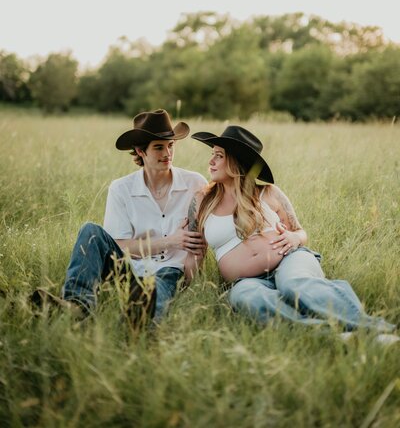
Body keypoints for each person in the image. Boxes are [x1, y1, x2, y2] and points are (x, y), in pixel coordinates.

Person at [186, 125, 398, 339]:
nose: (211, 161)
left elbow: (300, 232)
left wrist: (294, 237)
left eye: (219, 156)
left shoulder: (268, 193)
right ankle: (334, 335)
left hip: (289, 260)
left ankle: (374, 329)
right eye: (212, 154)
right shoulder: (202, 201)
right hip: (246, 281)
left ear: (236, 161)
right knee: (245, 298)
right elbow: (195, 254)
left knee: (293, 284)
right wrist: (187, 290)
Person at [33, 109, 207, 324]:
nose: (167, 153)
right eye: (159, 147)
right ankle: (77, 305)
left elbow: (201, 243)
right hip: (130, 270)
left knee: (155, 291)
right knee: (90, 231)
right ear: (140, 151)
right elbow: (120, 246)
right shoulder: (121, 188)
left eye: (171, 145)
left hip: (170, 270)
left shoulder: (195, 183)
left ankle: (140, 314)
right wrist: (170, 241)